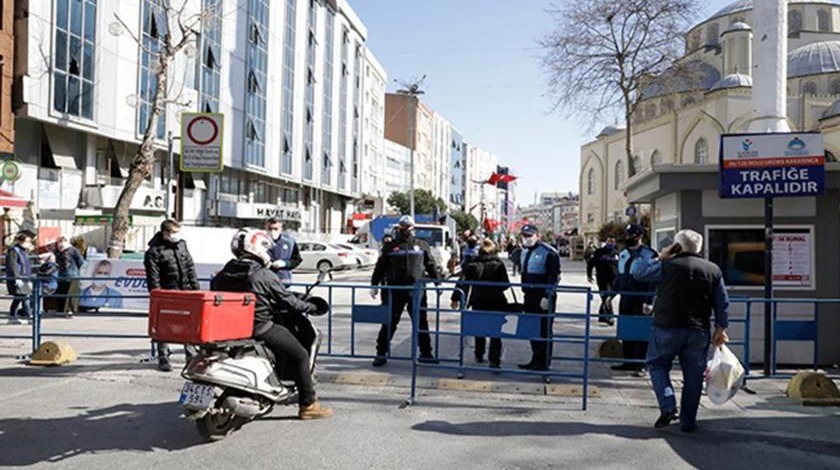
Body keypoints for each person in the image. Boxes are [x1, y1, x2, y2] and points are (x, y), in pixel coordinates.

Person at [211, 228, 332, 420]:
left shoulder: (222, 273)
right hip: (260, 327)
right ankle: (308, 405)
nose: (267, 253)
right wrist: (311, 307)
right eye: (266, 249)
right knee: (300, 354)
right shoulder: (262, 274)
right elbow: (288, 301)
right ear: (257, 248)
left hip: (230, 329)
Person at [631, 229, 730, 432]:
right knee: (693, 377)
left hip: (666, 327)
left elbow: (638, 272)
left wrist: (660, 256)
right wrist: (721, 327)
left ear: (677, 246)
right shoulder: (712, 269)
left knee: (657, 365)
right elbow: (722, 302)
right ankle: (688, 421)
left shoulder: (667, 266)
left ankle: (668, 405)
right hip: (698, 330)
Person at [369, 215, 441, 367]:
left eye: (408, 226)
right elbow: (380, 267)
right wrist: (374, 284)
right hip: (395, 290)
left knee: (421, 322)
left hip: (416, 290)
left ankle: (426, 353)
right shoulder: (390, 247)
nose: (406, 229)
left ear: (413, 228)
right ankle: (381, 353)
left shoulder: (421, 245)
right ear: (398, 227)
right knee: (389, 322)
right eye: (403, 226)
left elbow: (430, 264)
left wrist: (437, 283)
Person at [144, 219, 200, 372]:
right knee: (164, 326)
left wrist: (195, 289)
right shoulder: (154, 251)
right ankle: (163, 357)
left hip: (186, 291)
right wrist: (157, 295)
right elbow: (153, 277)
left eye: (178, 232)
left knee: (189, 325)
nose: (177, 235)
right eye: (174, 232)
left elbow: (190, 267)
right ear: (165, 233)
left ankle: (191, 356)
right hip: (167, 294)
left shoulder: (182, 244)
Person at [451, 238, 510, 368]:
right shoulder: (498, 264)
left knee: (480, 328)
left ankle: (479, 353)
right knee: (496, 331)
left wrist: (455, 297)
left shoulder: (473, 264)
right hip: (496, 301)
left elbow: (463, 282)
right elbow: (506, 284)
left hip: (478, 300)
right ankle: (494, 359)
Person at [611, 223, 658, 376]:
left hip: (641, 297)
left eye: (631, 235)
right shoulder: (623, 253)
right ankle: (628, 361)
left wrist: (649, 301)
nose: (628, 238)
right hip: (626, 297)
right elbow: (620, 276)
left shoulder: (649, 254)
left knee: (642, 332)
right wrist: (610, 295)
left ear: (639, 236)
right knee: (626, 330)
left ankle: (641, 364)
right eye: (627, 235)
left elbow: (653, 279)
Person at [517, 224, 561, 372]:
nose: (526, 239)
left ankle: (544, 363)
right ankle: (535, 359)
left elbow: (554, 276)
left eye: (529, 236)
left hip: (542, 296)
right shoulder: (524, 252)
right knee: (532, 329)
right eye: (524, 236)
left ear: (537, 235)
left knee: (544, 330)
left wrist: (547, 296)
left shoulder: (548, 252)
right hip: (528, 296)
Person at [587, 237, 619, 326]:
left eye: (613, 241)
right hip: (602, 279)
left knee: (609, 297)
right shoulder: (599, 252)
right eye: (609, 241)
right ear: (606, 242)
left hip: (614, 280)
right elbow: (590, 264)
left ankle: (602, 315)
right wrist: (589, 275)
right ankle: (610, 316)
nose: (611, 243)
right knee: (606, 296)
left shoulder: (617, 253)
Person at [5, 231, 35, 324]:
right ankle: (29, 316)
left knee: (18, 298)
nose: (29, 244)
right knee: (25, 297)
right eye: (28, 242)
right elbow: (12, 265)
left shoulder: (24, 251)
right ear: (21, 241)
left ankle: (12, 317)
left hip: (25, 277)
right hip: (19, 278)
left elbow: (26, 265)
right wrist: (16, 277)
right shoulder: (14, 250)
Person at [264, 217, 302, 285]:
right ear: (266, 228)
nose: (272, 231)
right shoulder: (259, 242)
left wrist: (285, 263)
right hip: (265, 281)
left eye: (275, 229)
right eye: (270, 229)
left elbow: (297, 260)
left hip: (283, 281)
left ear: (281, 229)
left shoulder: (290, 242)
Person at [54, 236, 85, 318]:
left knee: (71, 294)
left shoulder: (73, 250)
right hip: (61, 275)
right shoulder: (57, 251)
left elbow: (80, 261)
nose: (61, 247)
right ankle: (61, 310)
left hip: (72, 276)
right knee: (62, 293)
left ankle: (69, 311)